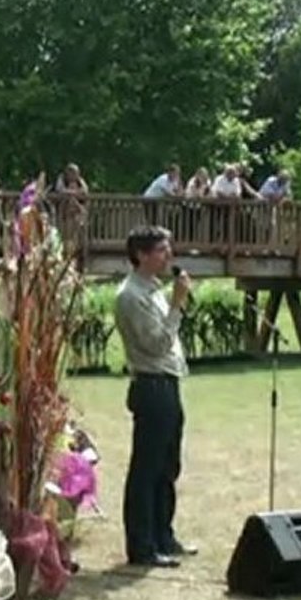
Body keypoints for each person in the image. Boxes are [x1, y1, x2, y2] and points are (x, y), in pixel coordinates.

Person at [114, 227, 198, 568]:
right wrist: (177, 305)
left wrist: (175, 303)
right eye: (162, 251)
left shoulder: (155, 289)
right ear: (142, 254)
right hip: (150, 386)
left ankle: (164, 535)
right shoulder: (130, 296)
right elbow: (157, 343)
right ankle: (142, 547)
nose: (169, 257)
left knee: (168, 466)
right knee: (146, 470)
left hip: (169, 383)